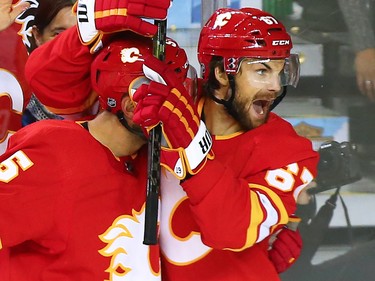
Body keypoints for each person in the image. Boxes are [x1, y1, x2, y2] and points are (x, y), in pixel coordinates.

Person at [23, 5, 319, 280]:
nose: (276, 87)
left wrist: (192, 146)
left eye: (282, 71)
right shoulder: (171, 97)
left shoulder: (289, 149)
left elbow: (233, 230)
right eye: (262, 71)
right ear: (221, 73)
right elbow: (50, 87)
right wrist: (87, 27)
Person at [0, 31, 200, 281]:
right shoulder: (56, 152)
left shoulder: (151, 160)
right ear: (132, 106)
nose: (184, 114)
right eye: (174, 101)